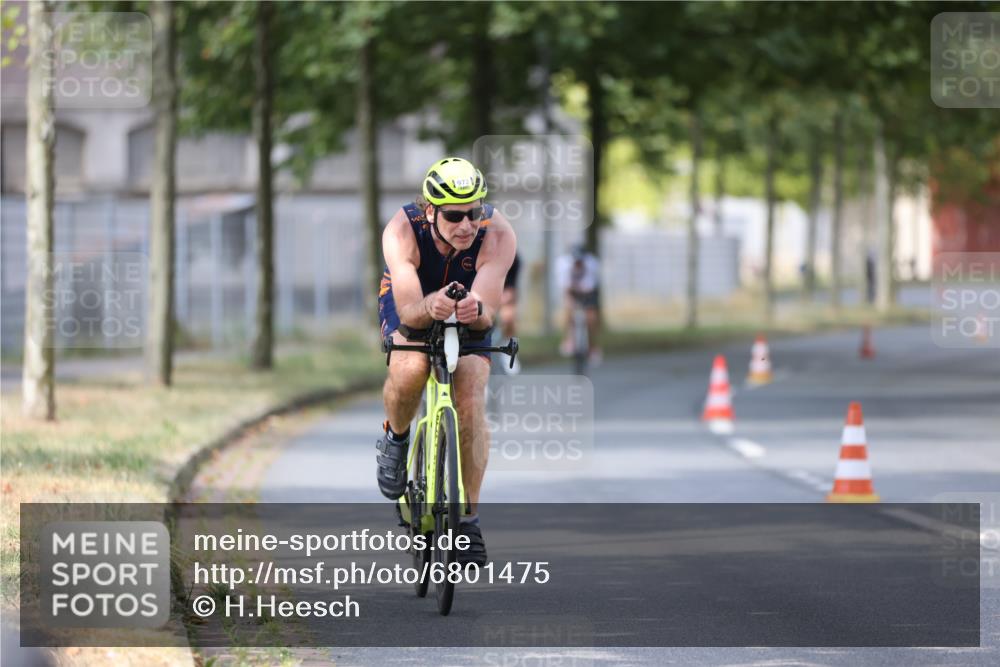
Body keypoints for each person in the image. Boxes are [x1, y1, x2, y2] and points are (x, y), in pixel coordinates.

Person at [376, 157, 516, 566]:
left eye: (474, 212)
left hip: (468, 307)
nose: (467, 225)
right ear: (430, 210)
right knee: (410, 370)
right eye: (455, 216)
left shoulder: (498, 234)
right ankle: (397, 439)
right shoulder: (402, 231)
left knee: (470, 397)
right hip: (414, 302)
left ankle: (469, 520)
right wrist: (431, 305)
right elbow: (408, 312)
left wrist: (475, 309)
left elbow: (488, 312)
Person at [556, 244, 601, 363]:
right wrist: (571, 300)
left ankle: (592, 346)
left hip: (588, 292)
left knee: (591, 317)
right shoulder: (563, 264)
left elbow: (590, 288)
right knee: (568, 309)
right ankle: (568, 340)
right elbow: (565, 288)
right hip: (571, 291)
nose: (578, 263)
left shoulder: (592, 264)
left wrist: (583, 293)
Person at [498, 253, 522, 374]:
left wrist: (506, 296)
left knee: (509, 318)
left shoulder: (514, 258)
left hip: (503, 294)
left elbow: (512, 286)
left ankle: (509, 350)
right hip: (482, 294)